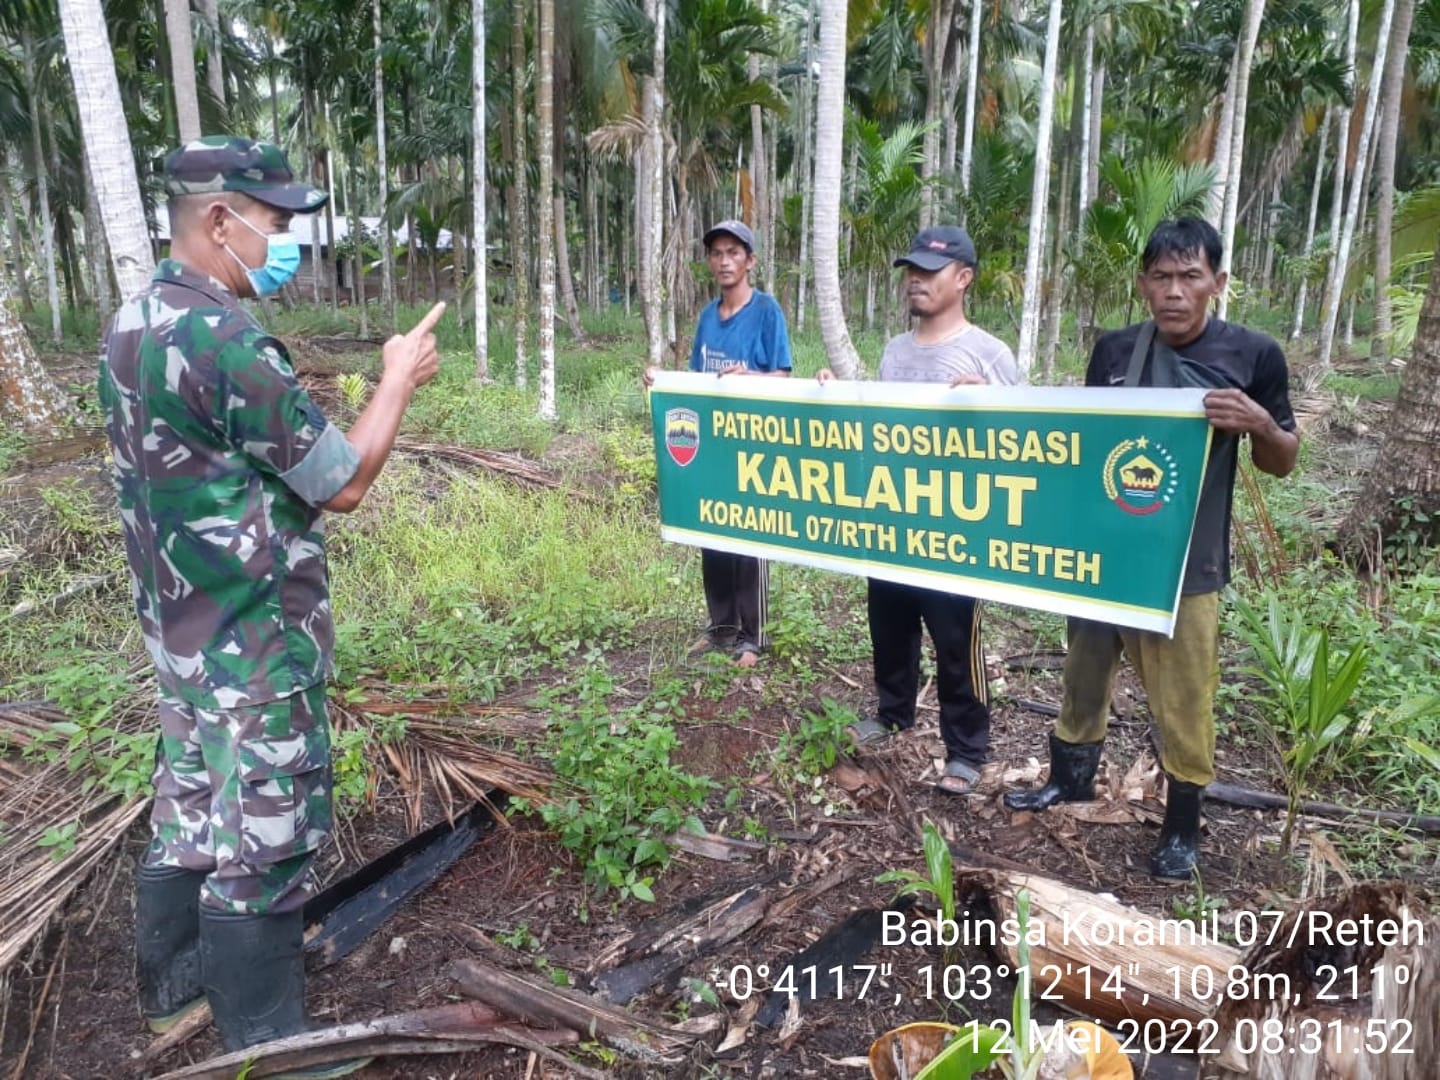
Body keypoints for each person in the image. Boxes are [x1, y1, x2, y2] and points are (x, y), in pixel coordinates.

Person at [100, 136, 444, 1071]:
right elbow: (341, 480)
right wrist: (396, 381)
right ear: (221, 221)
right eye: (277, 226)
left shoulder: (133, 320)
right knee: (267, 831)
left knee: (192, 809)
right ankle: (268, 1043)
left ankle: (172, 992)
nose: (283, 244)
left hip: (180, 634)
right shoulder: (223, 339)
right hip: (252, 639)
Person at [1003, 216, 1299, 880]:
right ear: (1142, 284)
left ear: (1216, 283)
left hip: (1186, 561)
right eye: (1161, 277)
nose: (1174, 291)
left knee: (1184, 694)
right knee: (1083, 672)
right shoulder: (1114, 351)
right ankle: (1071, 779)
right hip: (1103, 551)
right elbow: (1083, 440)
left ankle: (1183, 825)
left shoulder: (1253, 354)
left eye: (1190, 277)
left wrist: (1258, 422)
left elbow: (1283, 460)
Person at [817, 225, 1018, 795]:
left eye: (930, 272)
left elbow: (1032, 438)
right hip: (893, 520)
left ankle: (966, 749)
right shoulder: (895, 352)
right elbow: (881, 426)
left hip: (957, 528)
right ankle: (893, 711)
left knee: (957, 641)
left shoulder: (989, 353)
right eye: (912, 270)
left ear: (964, 278)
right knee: (890, 625)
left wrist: (992, 400)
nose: (916, 281)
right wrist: (831, 397)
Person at [644, 220, 792, 667]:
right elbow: (696, 380)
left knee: (749, 537)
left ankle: (752, 635)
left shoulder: (767, 312)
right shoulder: (709, 316)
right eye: (716, 253)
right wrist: (662, 380)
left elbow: (783, 375)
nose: (724, 260)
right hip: (714, 445)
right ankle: (721, 626)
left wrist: (754, 379)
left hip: (754, 444)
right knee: (712, 532)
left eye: (734, 252)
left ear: (750, 261)